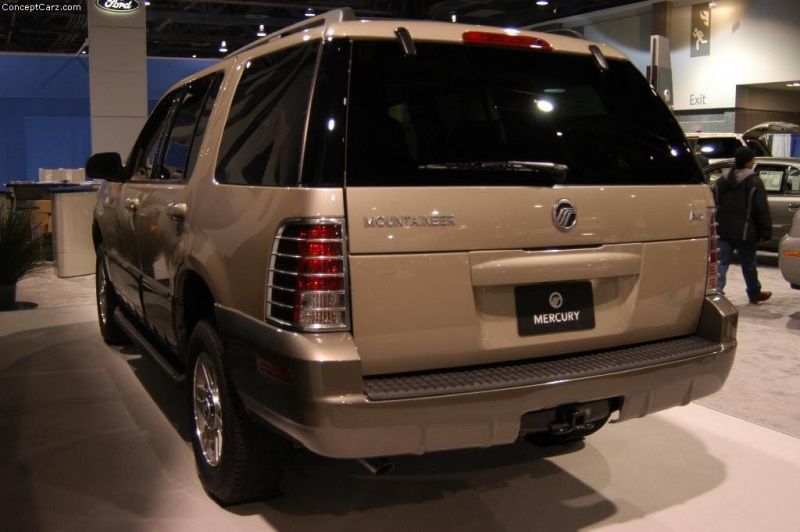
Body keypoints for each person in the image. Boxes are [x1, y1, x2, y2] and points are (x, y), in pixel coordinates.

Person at [712, 146, 772, 303]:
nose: (753, 163)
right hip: (745, 231)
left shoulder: (722, 181)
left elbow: (714, 202)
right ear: (748, 162)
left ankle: (716, 293)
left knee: (721, 264)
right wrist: (766, 232)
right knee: (749, 265)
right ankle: (754, 293)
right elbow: (761, 208)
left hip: (723, 229)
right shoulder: (754, 181)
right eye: (752, 160)